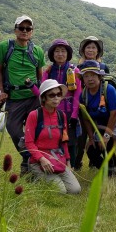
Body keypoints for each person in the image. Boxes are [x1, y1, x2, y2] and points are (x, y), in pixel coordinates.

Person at [0, 15, 46, 176]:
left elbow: (40, 75)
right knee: (14, 130)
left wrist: (41, 95)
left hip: (33, 98)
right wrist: (1, 90)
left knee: (36, 132)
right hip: (14, 97)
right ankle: (30, 158)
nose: (25, 31)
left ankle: (29, 165)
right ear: (15, 29)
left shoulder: (37, 50)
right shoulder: (5, 47)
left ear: (32, 31)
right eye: (21, 28)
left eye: (28, 29)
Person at [25, 79, 81, 194]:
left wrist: (68, 161)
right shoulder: (34, 115)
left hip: (58, 158)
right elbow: (29, 143)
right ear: (44, 98)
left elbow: (64, 141)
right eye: (52, 95)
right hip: (39, 160)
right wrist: (42, 159)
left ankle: (48, 179)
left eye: (59, 94)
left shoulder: (62, 115)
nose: (56, 98)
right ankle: (35, 178)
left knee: (75, 190)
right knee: (60, 191)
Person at [78, 60, 116, 177]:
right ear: (83, 79)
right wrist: (91, 137)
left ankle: (112, 175)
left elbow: (115, 114)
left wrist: (106, 136)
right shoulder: (84, 95)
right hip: (103, 126)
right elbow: (86, 118)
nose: (90, 79)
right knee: (92, 150)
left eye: (93, 75)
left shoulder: (109, 89)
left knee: (108, 144)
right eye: (86, 76)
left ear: (99, 76)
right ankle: (107, 172)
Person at [42, 39, 82, 168]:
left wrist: (75, 115)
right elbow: (42, 91)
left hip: (69, 112)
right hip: (51, 111)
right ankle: (56, 166)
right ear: (52, 54)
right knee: (53, 139)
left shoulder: (74, 71)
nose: (60, 54)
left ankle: (72, 168)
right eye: (57, 51)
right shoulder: (48, 72)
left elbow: (77, 94)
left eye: (63, 51)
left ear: (68, 54)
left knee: (71, 141)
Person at [75, 36, 109, 170]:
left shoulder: (103, 67)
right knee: (81, 136)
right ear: (83, 50)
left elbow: (106, 86)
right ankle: (76, 163)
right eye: (88, 47)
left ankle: (94, 162)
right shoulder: (78, 68)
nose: (90, 50)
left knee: (98, 133)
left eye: (93, 47)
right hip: (82, 106)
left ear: (98, 51)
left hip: (99, 107)